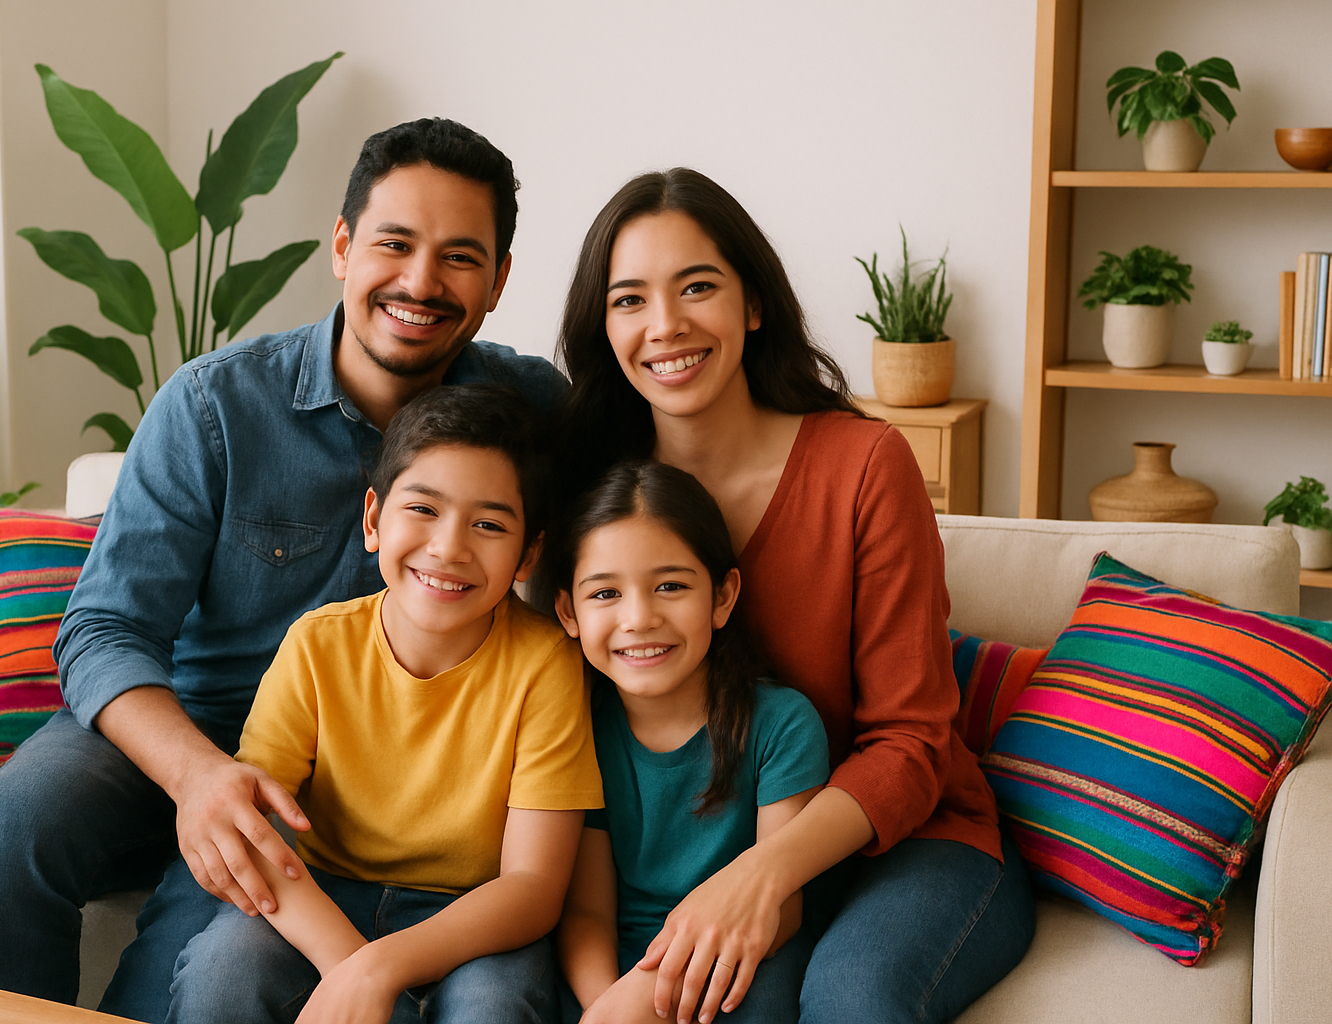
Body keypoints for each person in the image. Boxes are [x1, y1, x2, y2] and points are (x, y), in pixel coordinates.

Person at [0, 118, 563, 1023]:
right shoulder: (215, 406)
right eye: (395, 243)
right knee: (13, 823)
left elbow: (657, 496)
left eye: (460, 257)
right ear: (344, 246)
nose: (422, 282)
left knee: (192, 965)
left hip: (364, 761)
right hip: (190, 723)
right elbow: (105, 627)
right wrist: (198, 775)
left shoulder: (530, 408)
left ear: (499, 280)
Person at [555, 168, 1036, 1024]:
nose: (664, 325)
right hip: (703, 857)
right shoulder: (593, 497)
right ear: (604, 326)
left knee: (857, 1001)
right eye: (629, 300)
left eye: (697, 286)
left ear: (753, 304)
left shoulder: (864, 466)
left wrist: (756, 878)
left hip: (904, 846)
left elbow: (913, 740)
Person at [167, 383, 601, 1024]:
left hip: (473, 912)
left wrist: (381, 967)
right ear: (373, 520)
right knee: (220, 975)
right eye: (423, 510)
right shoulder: (317, 645)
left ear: (528, 555)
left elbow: (534, 888)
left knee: (492, 1009)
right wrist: (350, 960)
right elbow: (254, 832)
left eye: (488, 524)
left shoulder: (547, 663)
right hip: (320, 896)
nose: (449, 547)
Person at [552, 460, 829, 1024]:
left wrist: (639, 1007)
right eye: (605, 593)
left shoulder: (782, 724)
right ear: (568, 612)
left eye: (671, 586)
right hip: (610, 970)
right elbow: (586, 914)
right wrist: (608, 1006)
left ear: (722, 597)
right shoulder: (576, 727)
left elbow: (784, 907)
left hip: (741, 959)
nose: (639, 618)